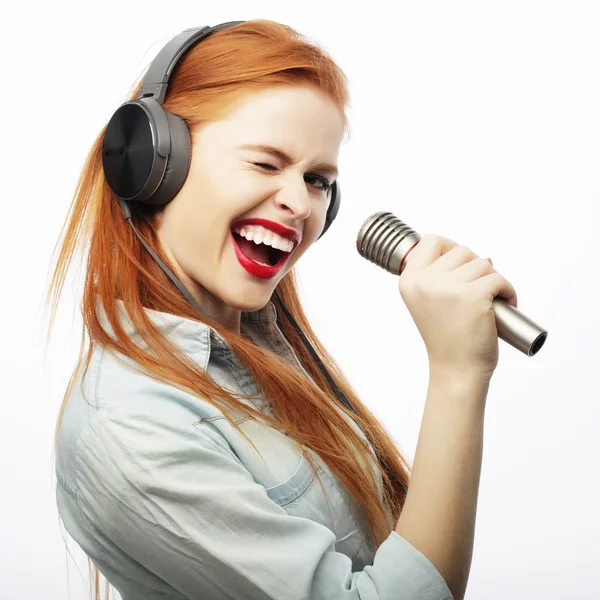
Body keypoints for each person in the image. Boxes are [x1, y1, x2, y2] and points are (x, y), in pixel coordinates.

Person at [48, 20, 517, 600]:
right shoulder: (130, 429)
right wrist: (457, 376)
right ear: (152, 163)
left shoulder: (259, 349)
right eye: (266, 165)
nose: (299, 205)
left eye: (318, 180)